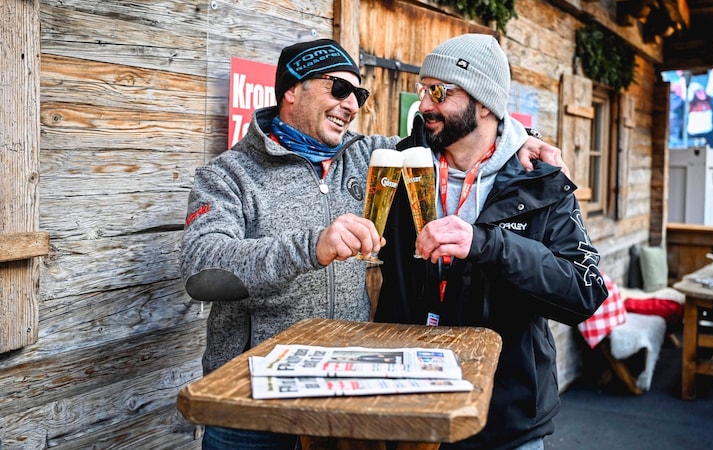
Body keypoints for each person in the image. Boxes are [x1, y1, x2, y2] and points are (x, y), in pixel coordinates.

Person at [180, 38, 569, 450]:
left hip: (345, 395)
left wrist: (522, 139)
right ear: (291, 90)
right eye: (338, 88)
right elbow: (201, 271)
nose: (351, 104)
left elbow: (459, 134)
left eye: (358, 94)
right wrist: (311, 247)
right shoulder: (227, 175)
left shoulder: (373, 156)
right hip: (252, 393)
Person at [374, 34, 608, 450]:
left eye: (439, 91)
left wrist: (490, 245)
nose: (424, 104)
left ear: (483, 103)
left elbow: (584, 290)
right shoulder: (398, 162)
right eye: (422, 89)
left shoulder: (538, 179)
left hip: (505, 418)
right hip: (405, 407)